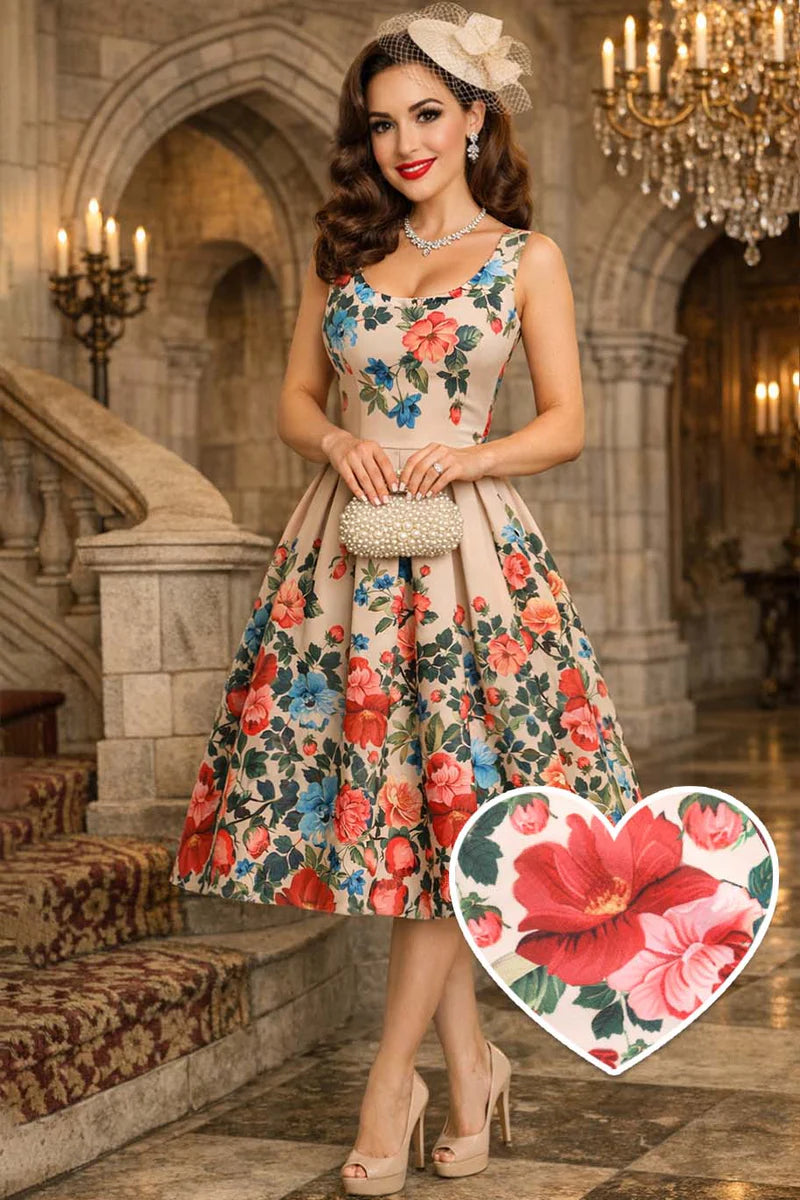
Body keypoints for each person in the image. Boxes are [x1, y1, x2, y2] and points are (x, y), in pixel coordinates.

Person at [169, 3, 643, 1194]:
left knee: (452, 814)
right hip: (344, 563)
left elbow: (566, 424)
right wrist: (336, 442)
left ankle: (395, 1080)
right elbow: (291, 400)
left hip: (472, 566)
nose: (403, 143)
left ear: (476, 116)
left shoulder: (522, 257)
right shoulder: (342, 259)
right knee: (400, 820)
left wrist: (462, 456)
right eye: (382, 124)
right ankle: (468, 1063)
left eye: (427, 114)